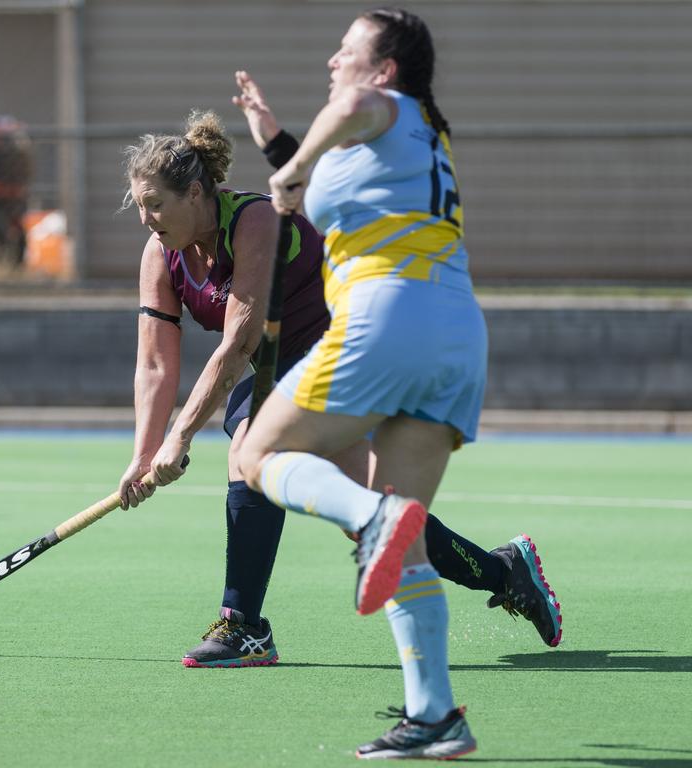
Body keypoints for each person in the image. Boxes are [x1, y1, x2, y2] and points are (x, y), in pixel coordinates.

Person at [117, 106, 560, 677]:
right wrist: (142, 454)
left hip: (353, 351)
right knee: (374, 515)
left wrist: (179, 437)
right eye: (140, 206)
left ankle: (243, 624)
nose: (147, 219)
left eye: (156, 204)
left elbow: (239, 344)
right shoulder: (162, 254)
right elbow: (154, 364)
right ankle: (507, 573)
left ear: (197, 192)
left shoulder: (256, 223)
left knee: (250, 448)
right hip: (291, 369)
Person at [232, 7, 499, 758]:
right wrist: (278, 145)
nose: (332, 61)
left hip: (391, 311)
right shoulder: (410, 137)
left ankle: (368, 518)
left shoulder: (383, 104)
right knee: (406, 542)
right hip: (455, 330)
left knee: (256, 459)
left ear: (385, 70)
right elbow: (323, 174)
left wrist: (284, 171)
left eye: (347, 51)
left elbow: (344, 112)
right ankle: (436, 715)